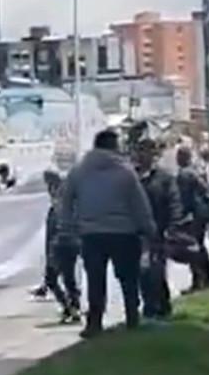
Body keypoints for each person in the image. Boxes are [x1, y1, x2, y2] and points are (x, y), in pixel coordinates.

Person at [59, 129, 157, 339]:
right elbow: (139, 204)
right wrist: (149, 229)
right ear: (114, 147)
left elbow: (65, 202)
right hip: (124, 232)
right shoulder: (125, 172)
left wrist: (67, 228)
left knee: (95, 280)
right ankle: (132, 316)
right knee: (128, 278)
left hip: (91, 234)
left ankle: (94, 322)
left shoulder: (78, 172)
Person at [134, 138, 184, 322]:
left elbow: (174, 201)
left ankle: (160, 305)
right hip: (137, 232)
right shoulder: (132, 177)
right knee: (142, 271)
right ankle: (149, 305)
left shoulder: (164, 178)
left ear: (153, 154)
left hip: (158, 231)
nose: (143, 155)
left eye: (147, 151)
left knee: (156, 270)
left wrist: (173, 226)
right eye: (140, 151)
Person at [41, 171, 81, 325]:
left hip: (64, 245)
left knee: (59, 278)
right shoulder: (59, 204)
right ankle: (71, 307)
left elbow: (61, 227)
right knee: (63, 279)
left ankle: (71, 307)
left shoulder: (63, 204)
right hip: (60, 245)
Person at [176, 146, 209, 292]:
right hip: (202, 213)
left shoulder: (184, 175)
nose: (177, 159)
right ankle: (206, 277)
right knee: (200, 246)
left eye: (179, 156)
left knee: (192, 247)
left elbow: (185, 197)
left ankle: (198, 280)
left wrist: (181, 215)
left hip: (193, 215)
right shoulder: (195, 171)